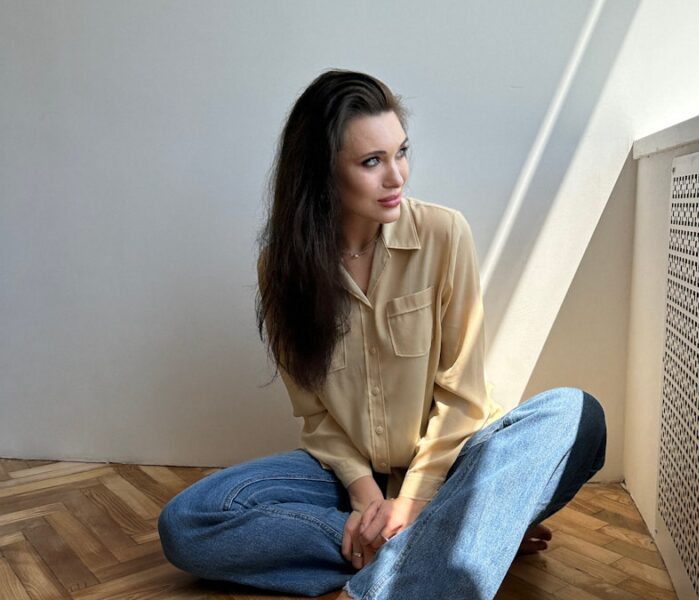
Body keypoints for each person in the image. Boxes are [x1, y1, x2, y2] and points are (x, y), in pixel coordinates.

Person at [157, 69, 607, 600]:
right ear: (322, 173)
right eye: (372, 162)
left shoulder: (445, 234)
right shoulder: (281, 268)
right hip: (346, 477)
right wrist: (370, 500)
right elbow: (315, 415)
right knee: (189, 523)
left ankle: (409, 562)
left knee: (577, 417)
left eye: (401, 152)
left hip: (455, 461)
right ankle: (457, 542)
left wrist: (415, 502)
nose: (397, 176)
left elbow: (462, 396)